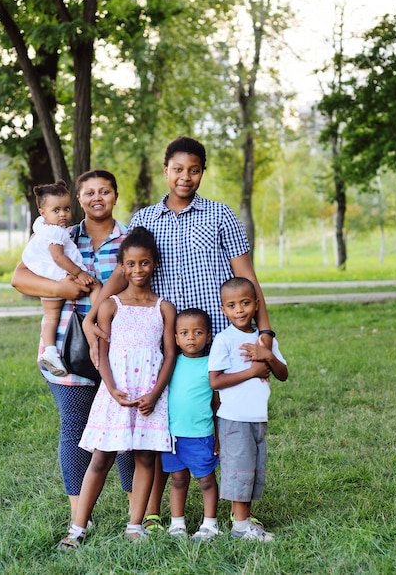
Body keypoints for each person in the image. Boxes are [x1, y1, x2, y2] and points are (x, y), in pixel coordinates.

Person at [82, 136, 274, 531]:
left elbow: (247, 278)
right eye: (178, 169)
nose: (185, 177)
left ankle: (232, 510)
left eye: (194, 169)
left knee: (221, 421)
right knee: (166, 422)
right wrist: (93, 314)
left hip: (217, 337)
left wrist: (265, 331)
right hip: (166, 338)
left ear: (203, 171)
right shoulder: (145, 219)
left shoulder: (220, 215)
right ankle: (156, 512)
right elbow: (122, 272)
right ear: (165, 169)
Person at [11, 170, 135, 525]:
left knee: (124, 427)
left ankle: (135, 511)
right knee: (74, 428)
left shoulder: (129, 240)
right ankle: (79, 515)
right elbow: (19, 277)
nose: (98, 198)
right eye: (90, 192)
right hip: (66, 349)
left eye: (105, 191)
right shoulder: (59, 235)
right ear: (79, 199)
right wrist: (61, 290)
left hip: (119, 349)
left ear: (115, 195)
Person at [58, 227, 177, 547]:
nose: (138, 270)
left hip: (149, 395)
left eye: (145, 263)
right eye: (131, 264)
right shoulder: (111, 305)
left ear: (155, 264)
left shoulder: (163, 308)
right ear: (122, 266)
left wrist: (154, 394)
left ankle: (135, 524)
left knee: (145, 459)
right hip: (117, 393)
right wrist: (110, 388)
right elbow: (102, 355)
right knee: (101, 458)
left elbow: (169, 355)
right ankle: (78, 528)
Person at [208, 277, 288, 542]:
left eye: (244, 303)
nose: (239, 310)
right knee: (239, 470)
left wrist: (268, 357)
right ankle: (240, 526)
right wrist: (252, 371)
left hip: (257, 418)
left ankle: (245, 520)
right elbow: (215, 381)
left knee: (253, 469)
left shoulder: (264, 341)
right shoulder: (224, 340)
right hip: (234, 418)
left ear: (256, 305)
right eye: (232, 305)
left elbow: (283, 373)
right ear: (223, 309)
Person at [21, 180, 101, 376]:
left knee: (50, 318)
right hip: (60, 276)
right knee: (95, 286)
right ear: (43, 212)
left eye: (66, 208)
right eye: (56, 210)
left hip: (47, 277)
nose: (63, 214)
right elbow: (59, 257)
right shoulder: (56, 231)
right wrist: (79, 273)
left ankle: (49, 351)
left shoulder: (40, 226)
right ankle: (97, 320)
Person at [161, 308, 220, 542]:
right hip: (173, 435)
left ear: (208, 336)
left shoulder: (212, 365)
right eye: (184, 333)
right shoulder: (171, 363)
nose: (191, 338)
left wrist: (218, 434)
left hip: (200, 434)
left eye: (197, 332)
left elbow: (217, 404)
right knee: (178, 479)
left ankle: (210, 524)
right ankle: (177, 523)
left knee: (206, 479)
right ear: (176, 338)